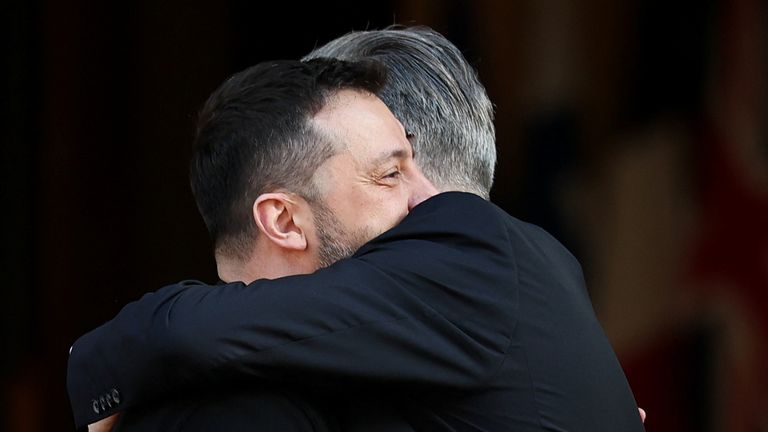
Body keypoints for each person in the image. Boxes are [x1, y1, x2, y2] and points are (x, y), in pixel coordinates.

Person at [69, 26, 646, 431]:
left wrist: (99, 368)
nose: (427, 197)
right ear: (284, 220)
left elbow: (182, 336)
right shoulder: (286, 381)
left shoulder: (476, 248)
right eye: (389, 173)